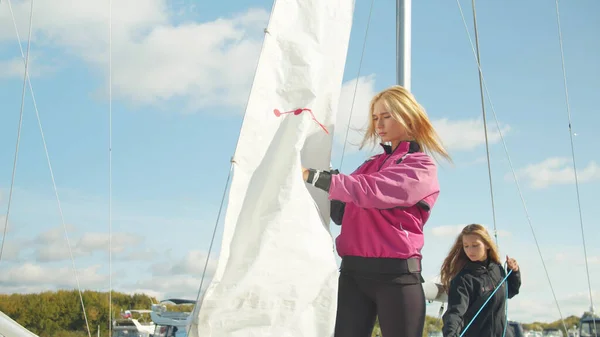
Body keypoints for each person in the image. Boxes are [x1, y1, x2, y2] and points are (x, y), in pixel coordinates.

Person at [301, 85, 452, 337]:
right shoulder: (370, 164)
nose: (379, 124)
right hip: (353, 274)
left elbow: (373, 190)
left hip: (396, 278)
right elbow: (343, 212)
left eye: (386, 116)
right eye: (375, 117)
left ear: (407, 116)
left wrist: (313, 176)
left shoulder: (421, 166)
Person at [440, 224, 521, 337]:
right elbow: (455, 313)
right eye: (466, 246)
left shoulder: (497, 269)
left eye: (475, 245)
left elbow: (511, 292)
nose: (470, 250)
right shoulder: (463, 279)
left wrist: (514, 272)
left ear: (487, 245)